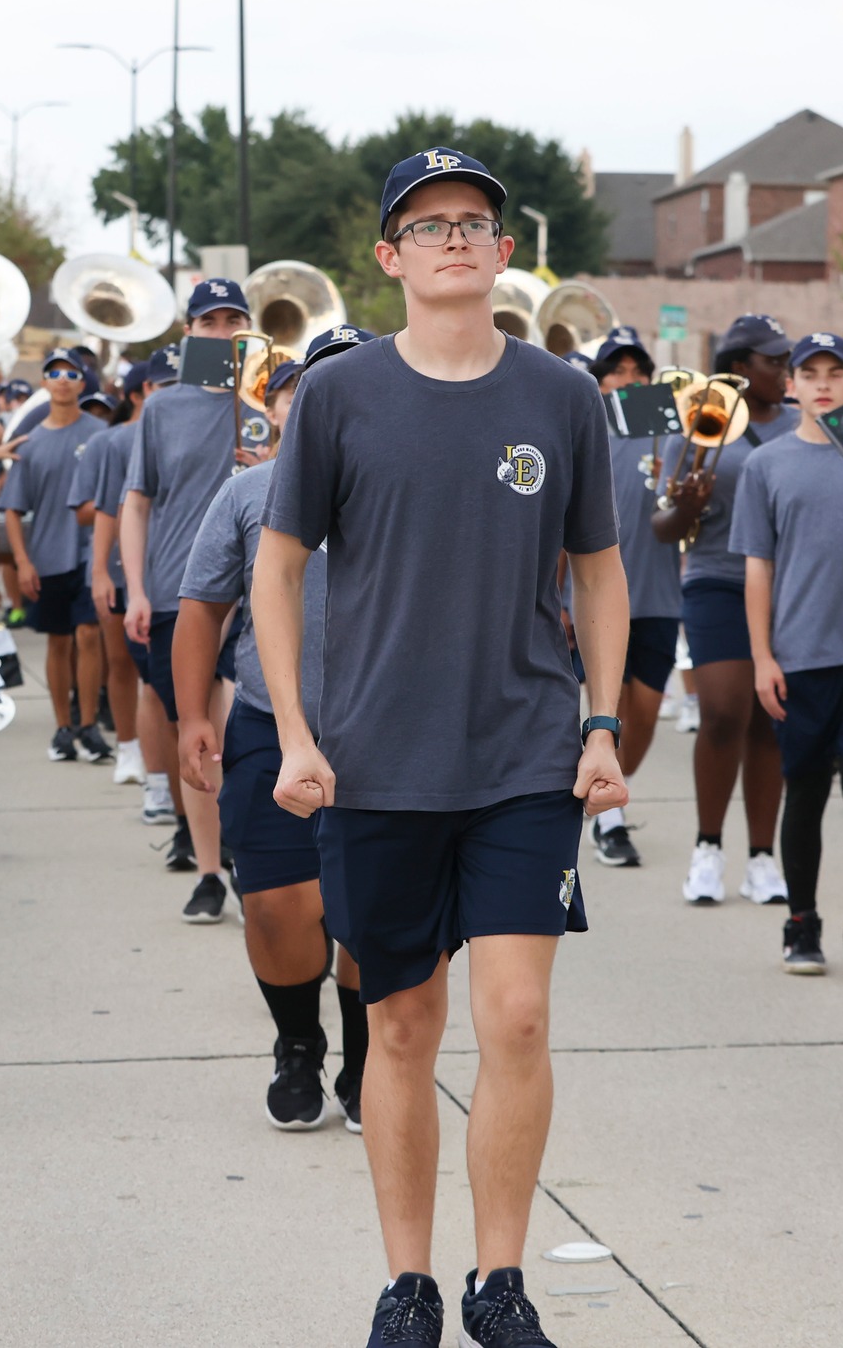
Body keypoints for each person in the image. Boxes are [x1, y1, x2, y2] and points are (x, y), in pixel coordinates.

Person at [255, 146, 627, 1348]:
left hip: (524, 754)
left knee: (514, 1016)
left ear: (505, 251)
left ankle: (499, 1282)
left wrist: (604, 720)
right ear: (389, 257)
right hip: (377, 761)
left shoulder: (560, 396)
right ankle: (408, 1283)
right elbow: (276, 566)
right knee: (403, 1025)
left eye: (473, 222)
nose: (453, 239)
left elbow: (600, 569)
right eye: (427, 226)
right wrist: (296, 732)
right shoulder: (341, 394)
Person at [175, 353, 371, 1132]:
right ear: (278, 405)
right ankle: (299, 1043)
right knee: (277, 906)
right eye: (304, 385)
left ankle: (365, 1056)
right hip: (268, 724)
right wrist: (195, 715)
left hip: (387, 734)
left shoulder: (413, 487)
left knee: (367, 908)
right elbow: (200, 609)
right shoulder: (248, 493)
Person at [731, 332, 843, 979]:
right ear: (794, 384)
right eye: (811, 372)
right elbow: (758, 569)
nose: (825, 382)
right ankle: (801, 921)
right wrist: (762, 657)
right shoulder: (767, 465)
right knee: (803, 791)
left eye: (838, 371)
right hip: (800, 655)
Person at [122, 279, 256, 919]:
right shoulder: (162, 408)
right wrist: (136, 587)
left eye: (235, 319)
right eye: (211, 322)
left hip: (259, 591)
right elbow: (138, 501)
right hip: (183, 589)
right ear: (190, 332)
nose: (223, 330)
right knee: (196, 729)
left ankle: (252, 852)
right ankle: (209, 868)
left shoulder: (270, 402)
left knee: (242, 727)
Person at [653, 314, 797, 905]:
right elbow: (664, 527)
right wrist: (688, 507)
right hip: (717, 579)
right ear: (740, 367)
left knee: (771, 720)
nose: (786, 371)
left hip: (790, 590)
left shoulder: (803, 422)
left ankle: (763, 859)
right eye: (775, 361)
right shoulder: (697, 423)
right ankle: (707, 847)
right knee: (722, 712)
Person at [587, 325, 675, 868]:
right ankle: (611, 822)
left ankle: (611, 789)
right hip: (599, 599)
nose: (629, 379)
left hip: (660, 596)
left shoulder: (667, 428)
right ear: (599, 381)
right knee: (609, 709)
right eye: (617, 370)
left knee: (644, 716)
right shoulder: (588, 426)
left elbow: (681, 517)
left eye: (637, 371)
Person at [2, 349, 112, 761]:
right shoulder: (31, 444)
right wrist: (23, 561)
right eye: (54, 373)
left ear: (83, 384)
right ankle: (63, 728)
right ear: (45, 384)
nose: (63, 379)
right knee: (59, 641)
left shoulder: (100, 434)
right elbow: (12, 509)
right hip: (48, 555)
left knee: (88, 634)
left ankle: (89, 725)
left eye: (71, 373)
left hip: (92, 553)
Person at [83, 346, 178, 813]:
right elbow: (108, 510)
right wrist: (101, 570)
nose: (171, 395)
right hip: (140, 577)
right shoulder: (120, 441)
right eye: (163, 386)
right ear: (144, 392)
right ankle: (151, 776)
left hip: (190, 577)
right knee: (149, 681)